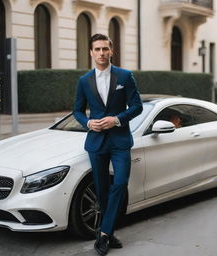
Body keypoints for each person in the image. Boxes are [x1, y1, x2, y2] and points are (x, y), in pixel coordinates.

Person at [73, 33, 143, 256]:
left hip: (120, 141)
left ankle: (102, 234)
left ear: (111, 51)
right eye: (97, 49)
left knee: (120, 183)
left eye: (105, 49)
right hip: (96, 142)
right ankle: (109, 233)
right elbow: (76, 110)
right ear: (91, 52)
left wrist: (117, 119)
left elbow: (137, 106)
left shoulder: (125, 76)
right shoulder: (84, 81)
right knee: (101, 189)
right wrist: (87, 122)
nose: (102, 53)